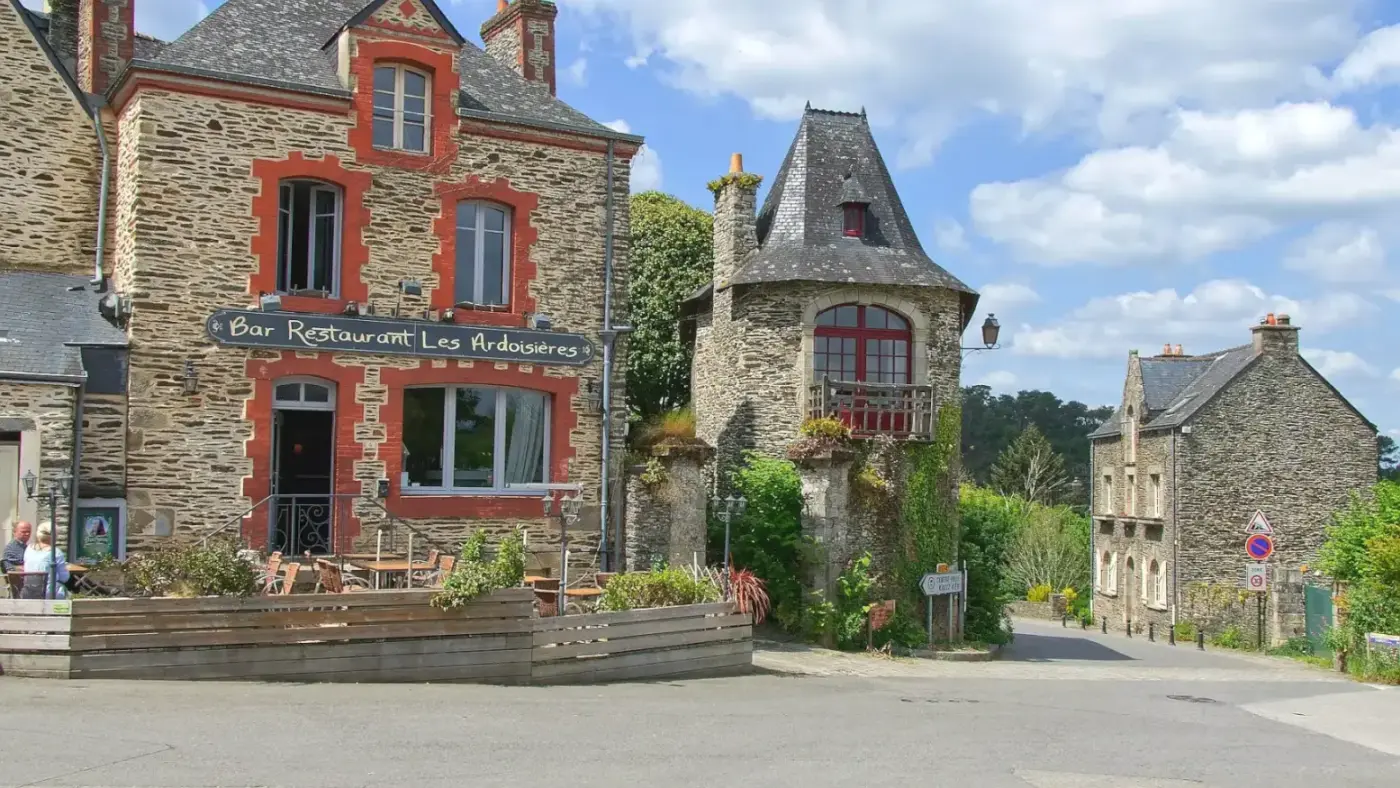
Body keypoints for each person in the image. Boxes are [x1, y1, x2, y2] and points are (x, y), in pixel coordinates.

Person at [22, 522, 70, 600]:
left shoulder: (28, 549)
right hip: (48, 593)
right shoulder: (55, 552)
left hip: (28, 591)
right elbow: (64, 578)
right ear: (54, 536)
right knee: (66, 594)